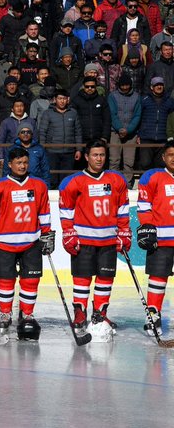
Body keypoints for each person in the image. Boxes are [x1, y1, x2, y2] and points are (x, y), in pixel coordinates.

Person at [0, 146, 53, 338]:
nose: (22, 166)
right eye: (19, 162)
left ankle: (27, 313)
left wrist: (47, 234)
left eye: (25, 162)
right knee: (6, 280)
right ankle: (6, 313)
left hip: (31, 241)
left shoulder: (38, 185)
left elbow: (44, 211)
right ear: (9, 164)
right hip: (5, 242)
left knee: (31, 280)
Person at [59, 140, 130, 332]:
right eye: (95, 155)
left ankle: (100, 313)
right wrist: (68, 231)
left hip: (108, 239)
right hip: (84, 239)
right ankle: (80, 312)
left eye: (102, 155)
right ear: (86, 157)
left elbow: (123, 209)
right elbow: (66, 210)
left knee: (105, 278)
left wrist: (124, 231)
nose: (99, 159)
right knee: (82, 278)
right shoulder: (74, 181)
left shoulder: (117, 179)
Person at [138, 142, 174, 335]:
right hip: (162, 240)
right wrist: (148, 227)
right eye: (170, 154)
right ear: (163, 158)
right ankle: (153, 315)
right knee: (158, 278)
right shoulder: (153, 177)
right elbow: (144, 205)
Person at [36, 89, 82, 188]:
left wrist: (78, 149)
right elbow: (42, 132)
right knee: (52, 178)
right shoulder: (48, 113)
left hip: (69, 151)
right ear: (55, 100)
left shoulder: (73, 113)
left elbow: (78, 132)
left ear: (68, 100)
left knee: (66, 180)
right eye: (60, 98)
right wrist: (43, 148)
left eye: (64, 98)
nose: (62, 101)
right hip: (52, 152)